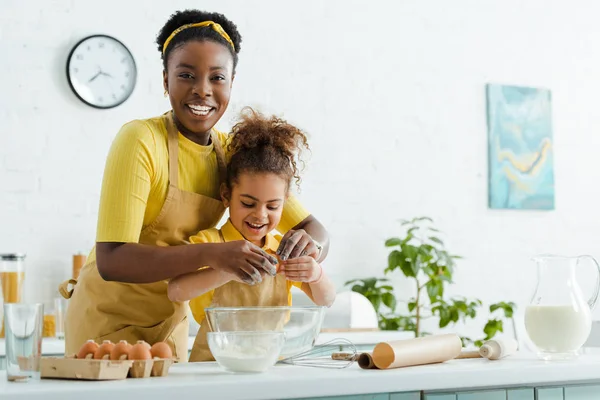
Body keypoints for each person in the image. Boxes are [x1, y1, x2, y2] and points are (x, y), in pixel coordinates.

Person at [59, 10, 330, 361]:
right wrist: (213, 254)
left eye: (217, 77)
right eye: (186, 75)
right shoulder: (140, 140)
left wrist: (310, 251)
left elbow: (315, 229)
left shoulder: (230, 153)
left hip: (170, 326)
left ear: (232, 82)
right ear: (165, 80)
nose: (202, 90)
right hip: (106, 323)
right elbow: (113, 260)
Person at [167, 108, 336, 362]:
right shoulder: (209, 243)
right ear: (226, 196)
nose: (260, 215)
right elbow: (176, 291)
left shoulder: (282, 250)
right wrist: (227, 269)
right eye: (248, 203)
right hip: (214, 366)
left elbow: (326, 299)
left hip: (270, 365)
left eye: (272, 206)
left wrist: (315, 273)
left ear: (285, 203)